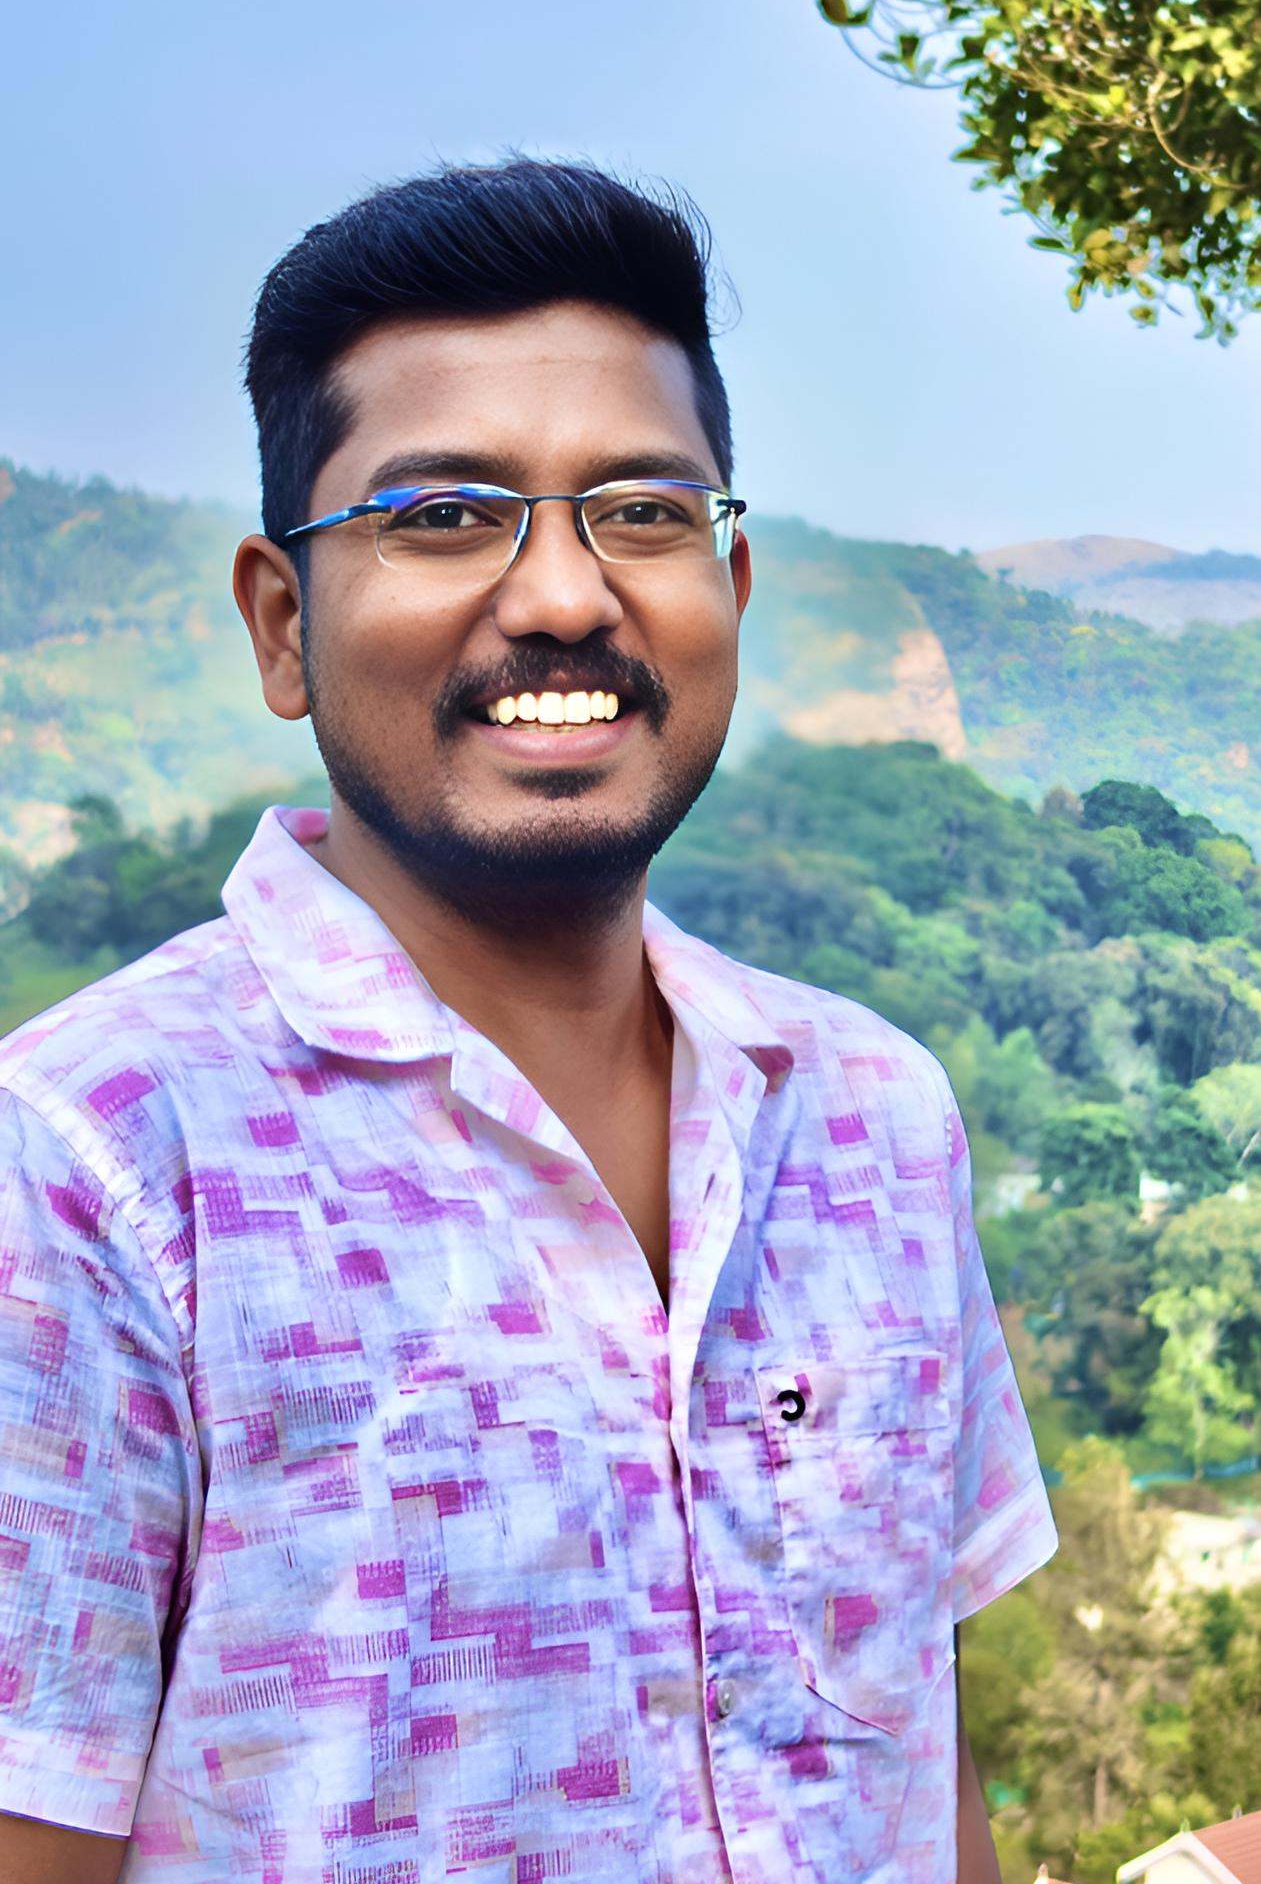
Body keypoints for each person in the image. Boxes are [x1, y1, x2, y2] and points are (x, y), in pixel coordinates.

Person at [0, 160, 1055, 1884]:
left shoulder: (875, 1113)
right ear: (283, 623)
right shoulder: (90, 1163)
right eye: (443, 515)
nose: (565, 595)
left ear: (731, 583)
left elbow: (923, 1776)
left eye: (642, 510)